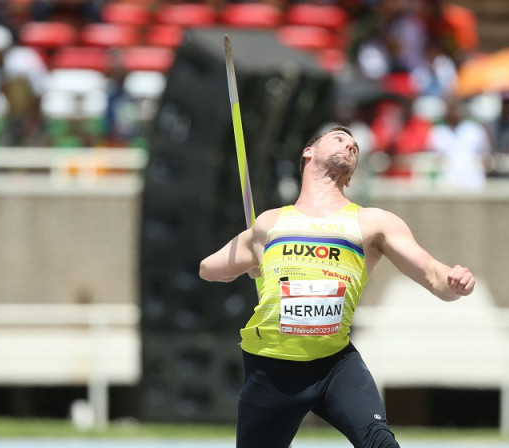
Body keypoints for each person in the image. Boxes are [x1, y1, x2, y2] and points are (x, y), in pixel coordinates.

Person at [199, 126, 476, 448]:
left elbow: (433, 276)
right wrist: (245, 265)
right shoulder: (269, 223)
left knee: (381, 444)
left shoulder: (373, 222)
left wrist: (455, 283)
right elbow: (208, 269)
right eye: (339, 139)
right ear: (308, 152)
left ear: (352, 175)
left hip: (334, 364)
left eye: (355, 147)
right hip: (271, 367)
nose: (350, 145)